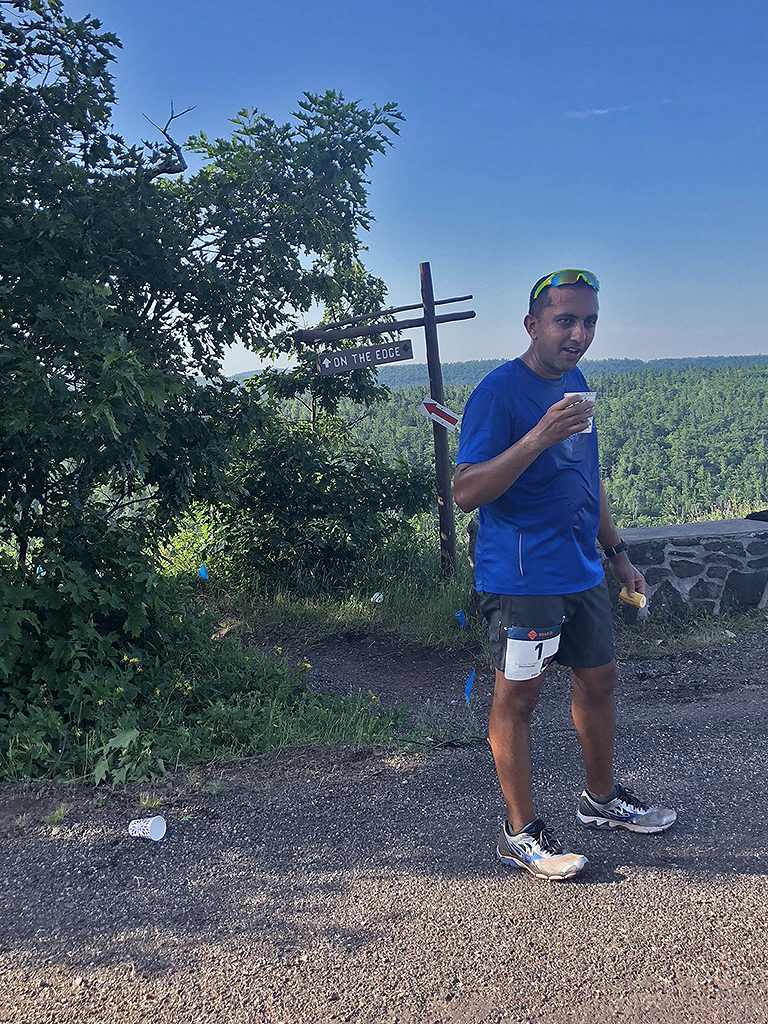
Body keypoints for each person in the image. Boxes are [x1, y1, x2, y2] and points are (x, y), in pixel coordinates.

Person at [453, 269, 676, 882]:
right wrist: (537, 437)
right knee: (518, 698)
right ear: (532, 325)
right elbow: (466, 491)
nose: (579, 335)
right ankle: (520, 833)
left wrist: (618, 553)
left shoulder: (576, 382)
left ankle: (600, 800)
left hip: (581, 569)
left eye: (590, 322)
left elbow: (586, 476)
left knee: (600, 681)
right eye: (566, 321)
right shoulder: (498, 392)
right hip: (523, 578)